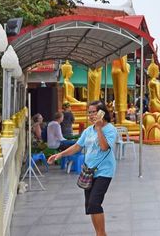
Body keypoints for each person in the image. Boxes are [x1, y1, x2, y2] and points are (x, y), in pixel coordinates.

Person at [48, 101, 117, 236]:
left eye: (94, 112)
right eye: (89, 112)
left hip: (104, 171)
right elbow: (77, 146)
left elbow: (104, 147)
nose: (91, 115)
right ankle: (98, 233)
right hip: (89, 171)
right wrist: (59, 154)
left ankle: (101, 233)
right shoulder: (87, 131)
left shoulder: (110, 129)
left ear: (102, 113)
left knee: (94, 203)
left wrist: (98, 129)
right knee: (91, 207)